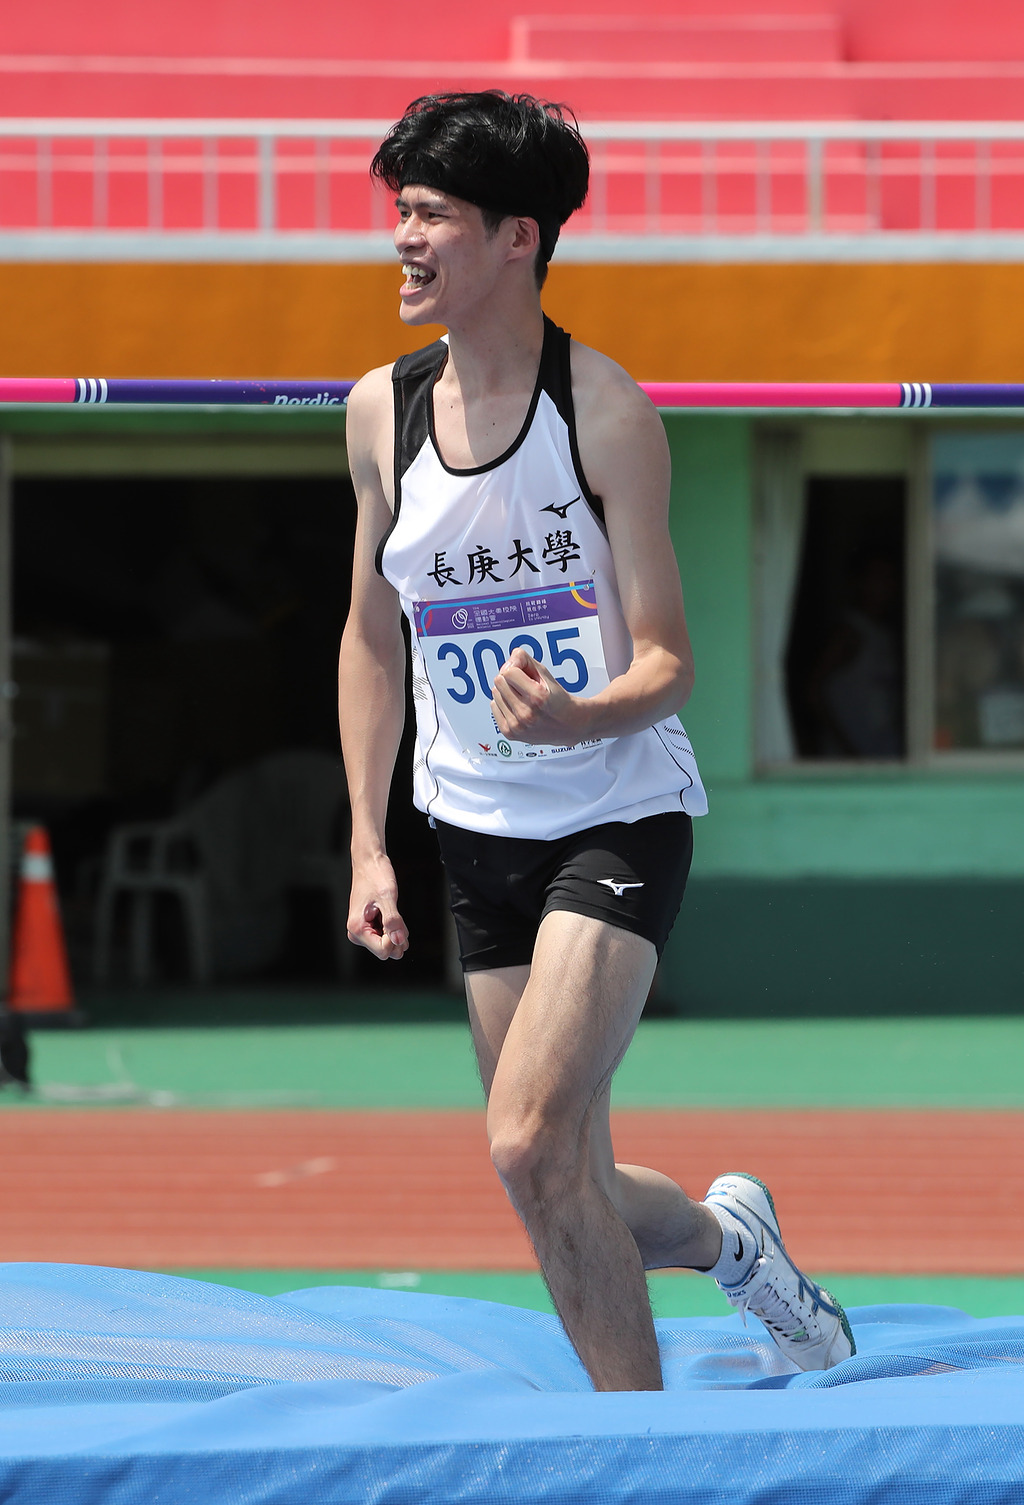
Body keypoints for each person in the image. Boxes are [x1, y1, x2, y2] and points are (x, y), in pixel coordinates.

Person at [338, 90, 854, 1392]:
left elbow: (670, 661)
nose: (403, 238)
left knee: (526, 1140)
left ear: (519, 237)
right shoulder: (380, 412)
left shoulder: (605, 412)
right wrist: (367, 843)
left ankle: (639, 1450)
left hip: (615, 816)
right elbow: (370, 636)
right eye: (399, 212)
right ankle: (735, 1244)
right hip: (474, 832)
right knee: (560, 1172)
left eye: (431, 215)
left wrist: (581, 714)